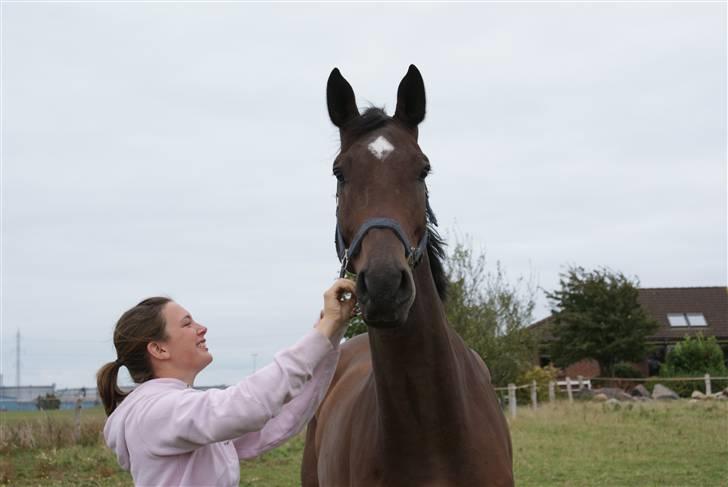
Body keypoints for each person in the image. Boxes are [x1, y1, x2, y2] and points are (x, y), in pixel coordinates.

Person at [97, 278, 357, 487]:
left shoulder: (177, 412)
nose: (202, 328)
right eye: (187, 324)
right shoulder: (156, 412)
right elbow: (246, 405)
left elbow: (272, 421)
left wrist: (331, 330)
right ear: (159, 349)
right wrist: (323, 331)